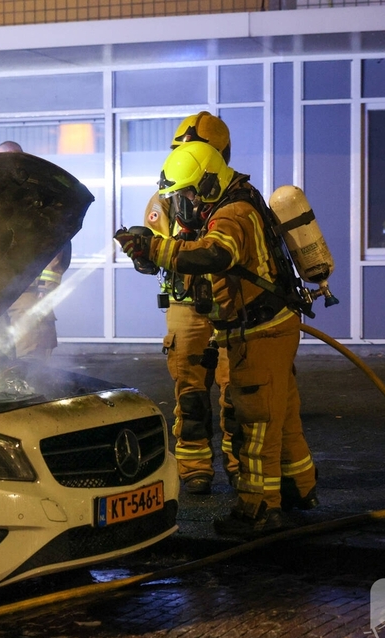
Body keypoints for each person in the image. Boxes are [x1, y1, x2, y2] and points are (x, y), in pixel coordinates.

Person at [115, 141, 318, 537]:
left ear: (207, 183)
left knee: (256, 421)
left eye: (188, 194)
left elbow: (214, 256)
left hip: (257, 333)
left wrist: (155, 247)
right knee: (282, 416)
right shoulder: (235, 199)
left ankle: (258, 510)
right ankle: (299, 489)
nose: (185, 204)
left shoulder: (232, 214)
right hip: (271, 326)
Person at [143, 112, 236, 496]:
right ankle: (195, 466)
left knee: (239, 392)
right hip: (187, 308)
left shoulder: (235, 197)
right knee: (190, 392)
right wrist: (143, 250)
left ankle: (239, 464)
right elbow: (151, 253)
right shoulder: (164, 197)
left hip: (232, 307)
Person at [0, 141, 72, 359]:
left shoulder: (39, 197)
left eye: (14, 158)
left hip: (28, 292)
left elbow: (54, 242)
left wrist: (45, 289)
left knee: (32, 358)